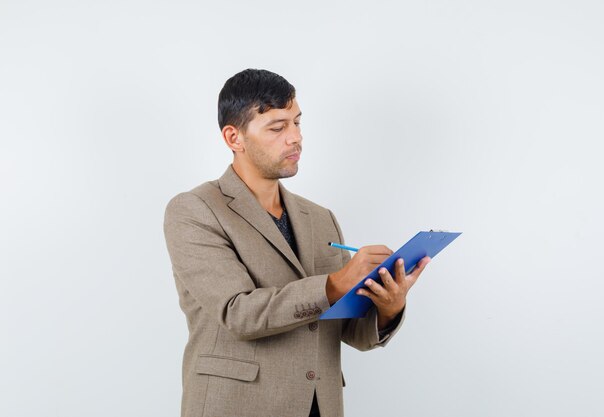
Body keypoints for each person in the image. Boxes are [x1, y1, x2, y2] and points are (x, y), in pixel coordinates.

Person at [163, 68, 430, 417]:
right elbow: (239, 313)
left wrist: (388, 307)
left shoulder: (320, 218)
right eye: (277, 127)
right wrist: (335, 284)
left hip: (320, 405)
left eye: (297, 123)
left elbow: (346, 328)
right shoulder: (194, 210)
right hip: (236, 406)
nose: (295, 138)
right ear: (233, 137)